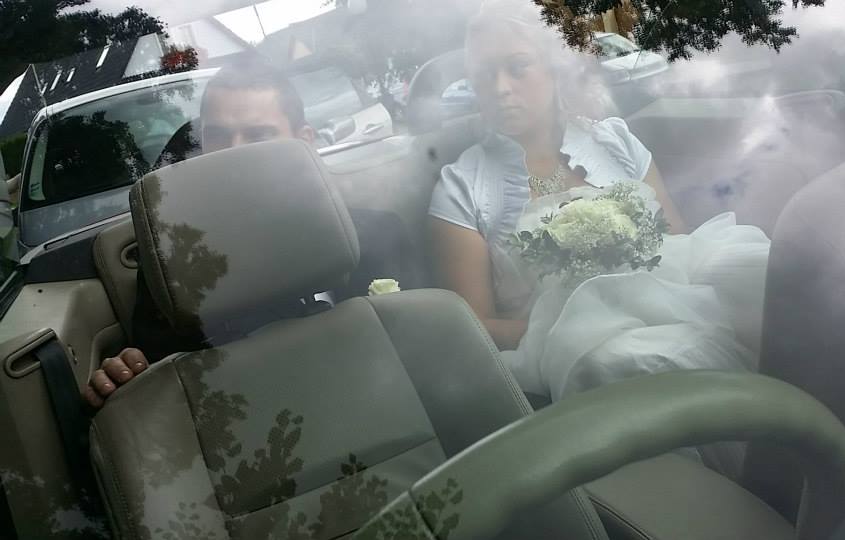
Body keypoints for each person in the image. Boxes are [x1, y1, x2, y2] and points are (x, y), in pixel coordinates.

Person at [428, 0, 770, 401]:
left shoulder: (614, 140)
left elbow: (678, 240)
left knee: (759, 270)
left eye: (517, 67)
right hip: (573, 348)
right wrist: (584, 325)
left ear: (555, 66)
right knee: (633, 359)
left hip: (671, 300)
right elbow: (476, 326)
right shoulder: (461, 187)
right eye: (484, 75)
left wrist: (655, 304)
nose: (500, 88)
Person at [83, 57, 423, 410]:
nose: (234, 153)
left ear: (304, 142)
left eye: (259, 135)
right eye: (218, 136)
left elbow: (420, 356)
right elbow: (166, 390)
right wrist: (126, 380)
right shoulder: (173, 267)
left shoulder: (379, 235)